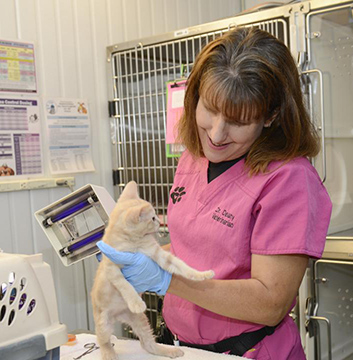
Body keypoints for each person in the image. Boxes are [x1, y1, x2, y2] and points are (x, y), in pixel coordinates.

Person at [97, 27, 332, 359]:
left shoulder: (289, 180)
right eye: (209, 109)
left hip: (246, 351)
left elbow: (270, 303)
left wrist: (165, 278)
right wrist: (137, 253)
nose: (217, 134)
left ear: (271, 116)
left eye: (237, 121)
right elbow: (197, 246)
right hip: (180, 345)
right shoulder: (194, 158)